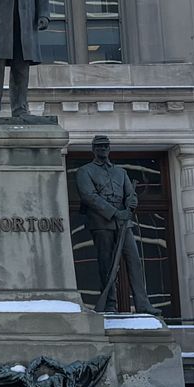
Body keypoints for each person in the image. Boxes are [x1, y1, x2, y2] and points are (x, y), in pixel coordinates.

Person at [74, 135, 159, 315]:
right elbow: (89, 196)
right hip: (102, 223)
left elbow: (129, 193)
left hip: (124, 224)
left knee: (134, 262)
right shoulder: (85, 171)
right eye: (99, 146)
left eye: (105, 146)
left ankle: (142, 303)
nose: (103, 149)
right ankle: (110, 303)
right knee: (107, 265)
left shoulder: (121, 172)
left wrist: (132, 202)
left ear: (109, 148)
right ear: (93, 149)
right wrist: (114, 212)